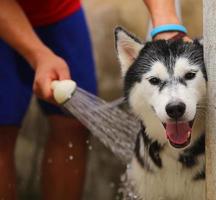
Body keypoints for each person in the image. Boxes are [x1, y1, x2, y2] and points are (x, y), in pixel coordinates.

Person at [0, 0, 190, 199]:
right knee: (3, 130)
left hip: (59, 9)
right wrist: (39, 55)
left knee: (74, 123)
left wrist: (166, 23)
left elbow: (166, 23)